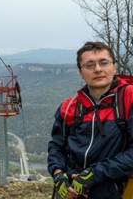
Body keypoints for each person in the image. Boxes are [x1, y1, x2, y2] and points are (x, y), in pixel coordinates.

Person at [47, 41, 133, 199]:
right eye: (89, 65)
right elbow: (56, 146)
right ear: (80, 72)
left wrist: (94, 174)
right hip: (69, 190)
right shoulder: (69, 106)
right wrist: (58, 174)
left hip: (109, 188)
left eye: (104, 62)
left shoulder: (128, 98)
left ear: (114, 67)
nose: (98, 69)